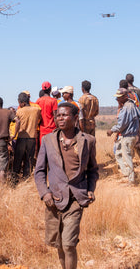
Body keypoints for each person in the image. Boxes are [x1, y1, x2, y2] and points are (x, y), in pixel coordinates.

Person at [34, 102, 99, 269]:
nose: (60, 118)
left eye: (64, 115)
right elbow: (39, 171)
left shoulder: (88, 141)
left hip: (76, 198)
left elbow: (93, 170)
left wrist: (91, 189)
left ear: (75, 118)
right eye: (58, 115)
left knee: (69, 244)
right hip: (54, 199)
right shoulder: (48, 140)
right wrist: (45, 193)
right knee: (59, 244)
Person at [107, 88, 140, 184]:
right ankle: (128, 174)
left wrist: (112, 130)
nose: (117, 100)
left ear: (125, 97)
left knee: (127, 158)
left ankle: (131, 180)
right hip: (132, 135)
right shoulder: (132, 105)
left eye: (119, 98)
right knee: (120, 154)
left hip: (128, 136)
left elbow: (122, 125)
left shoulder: (126, 108)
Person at [13, 92, 41, 179]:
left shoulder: (19, 111)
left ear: (23, 102)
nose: (19, 105)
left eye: (19, 103)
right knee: (29, 159)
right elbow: (39, 119)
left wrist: (14, 135)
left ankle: (15, 177)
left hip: (21, 137)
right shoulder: (36, 110)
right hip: (32, 138)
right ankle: (26, 178)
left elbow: (16, 123)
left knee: (18, 159)